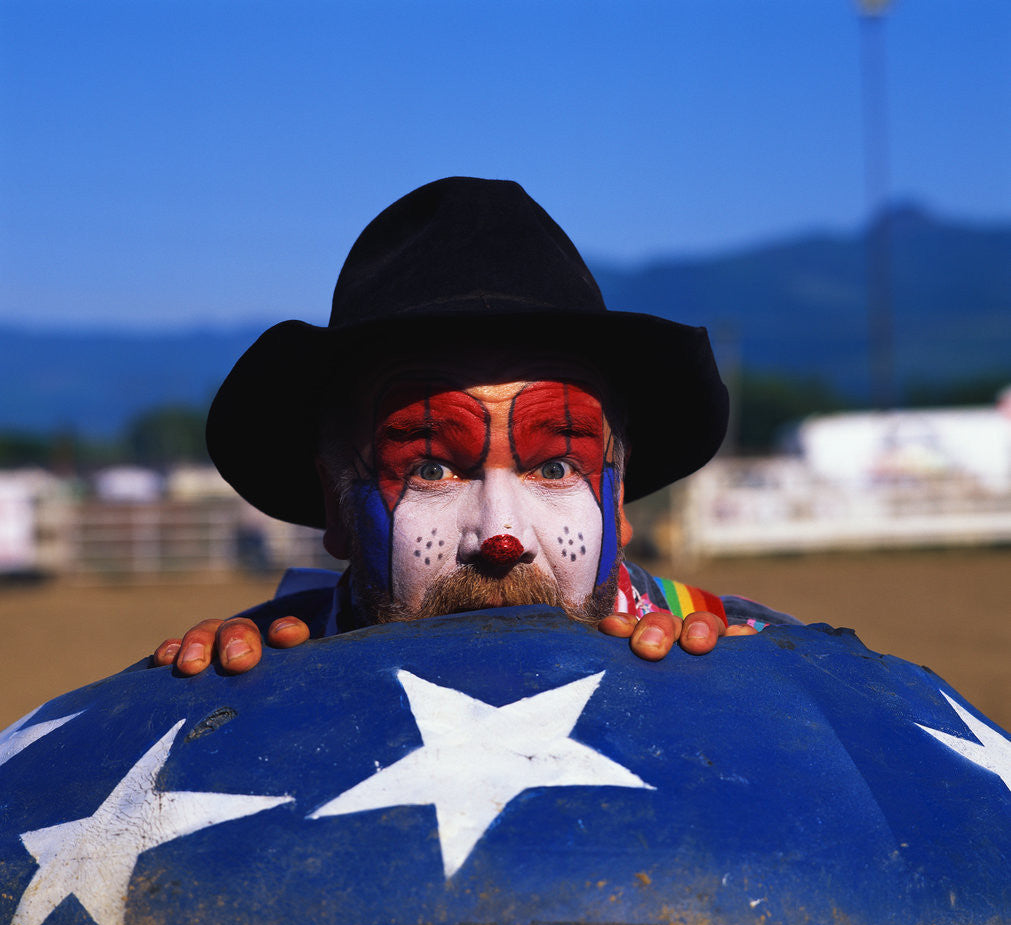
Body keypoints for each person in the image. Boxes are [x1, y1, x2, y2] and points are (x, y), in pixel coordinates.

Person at [153, 177, 796, 676]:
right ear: (336, 504)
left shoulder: (745, 657)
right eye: (432, 470)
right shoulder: (264, 669)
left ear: (619, 498)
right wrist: (227, 709)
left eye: (555, 467)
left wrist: (732, 698)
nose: (500, 537)